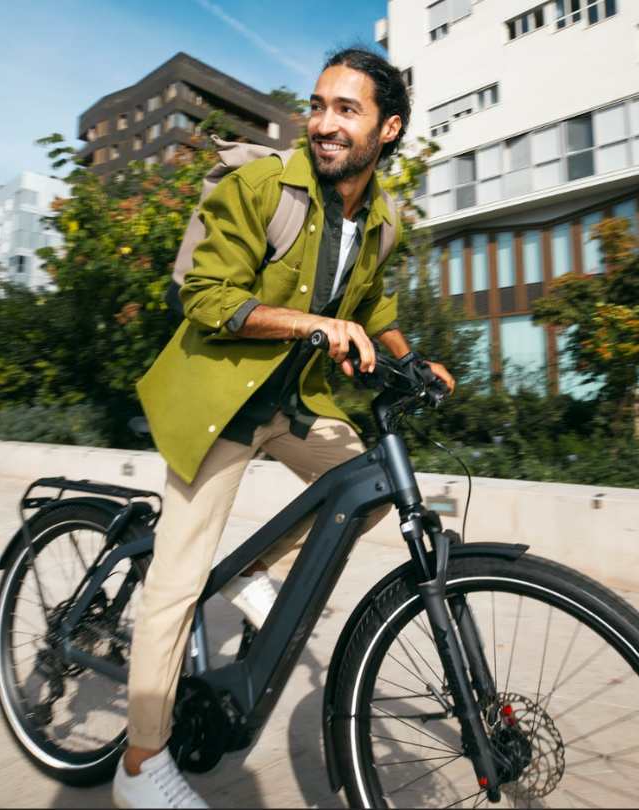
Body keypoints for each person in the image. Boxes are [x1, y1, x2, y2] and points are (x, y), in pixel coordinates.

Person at [114, 47, 455, 809]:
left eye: (348, 110)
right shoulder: (262, 185)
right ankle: (139, 764)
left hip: (293, 403)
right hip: (218, 402)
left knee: (363, 487)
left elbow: (375, 309)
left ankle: (252, 573)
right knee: (176, 580)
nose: (325, 124)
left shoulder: (384, 220)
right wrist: (314, 323)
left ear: (388, 129)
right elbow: (205, 296)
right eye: (320, 105)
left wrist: (414, 359)